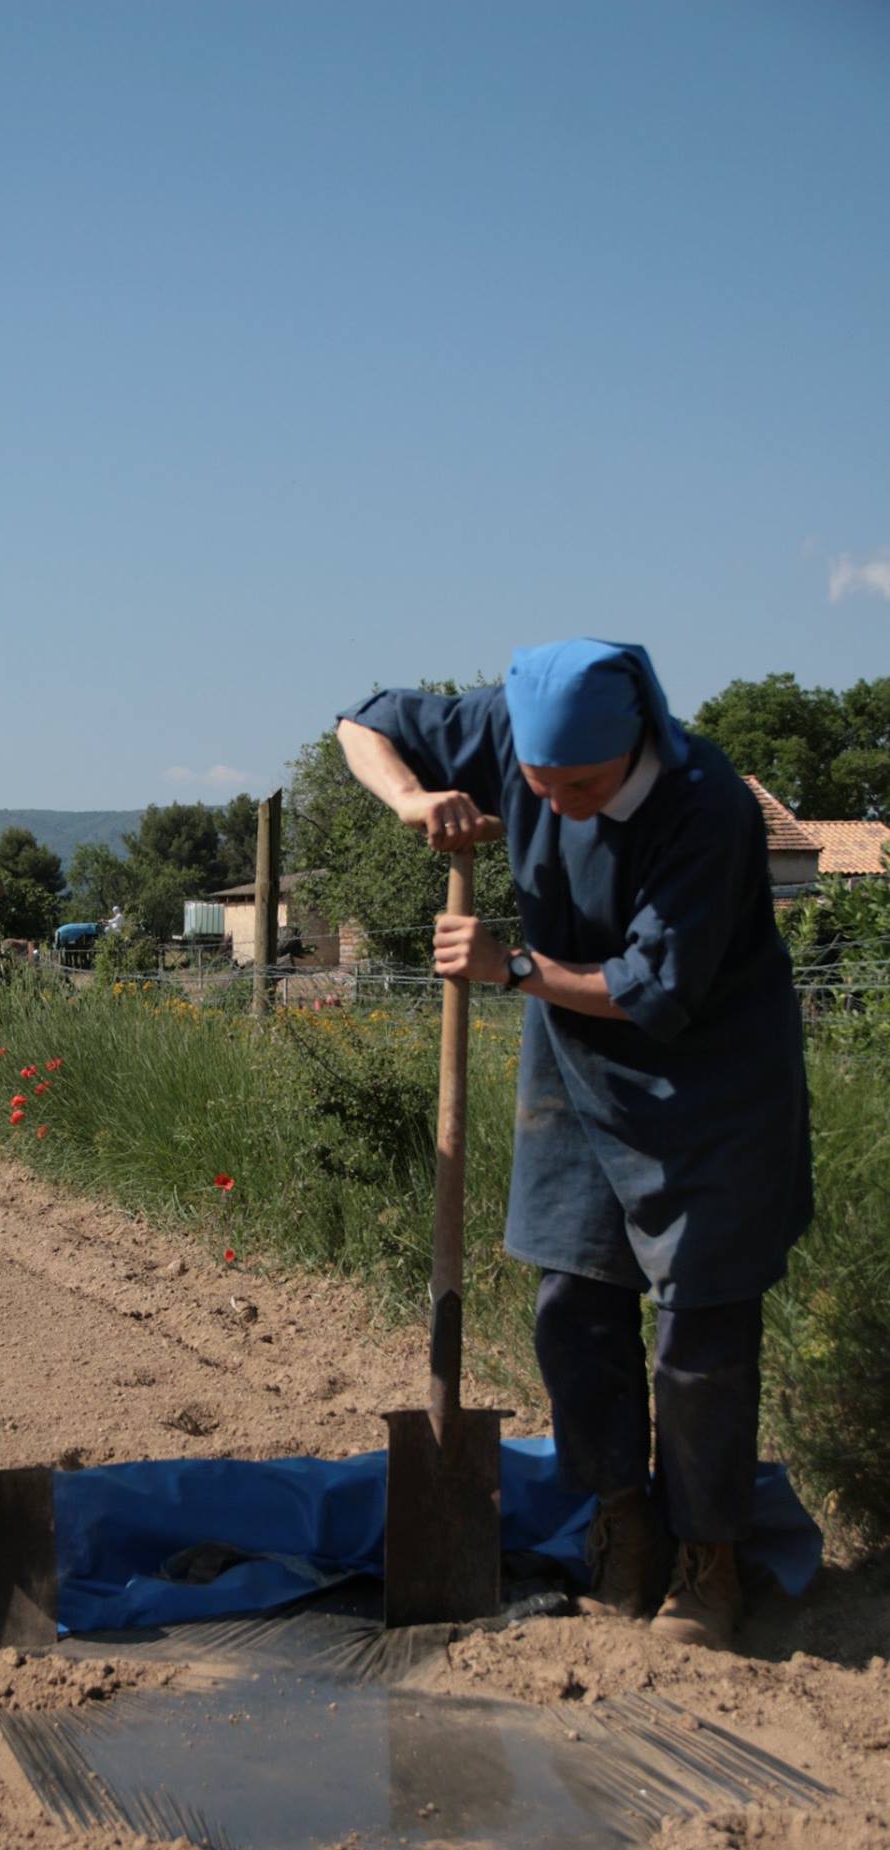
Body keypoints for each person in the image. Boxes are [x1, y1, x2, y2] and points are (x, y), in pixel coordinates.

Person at [337, 639, 812, 1651]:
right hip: (573, 1065)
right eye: (536, 785)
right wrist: (415, 801)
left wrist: (511, 969)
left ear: (633, 742)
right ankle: (621, 1523)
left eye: (579, 786)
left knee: (702, 1336)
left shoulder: (707, 803)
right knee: (574, 1306)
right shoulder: (518, 736)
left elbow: (657, 990)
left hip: (710, 1078)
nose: (552, 803)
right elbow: (363, 724)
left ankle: (709, 1554)